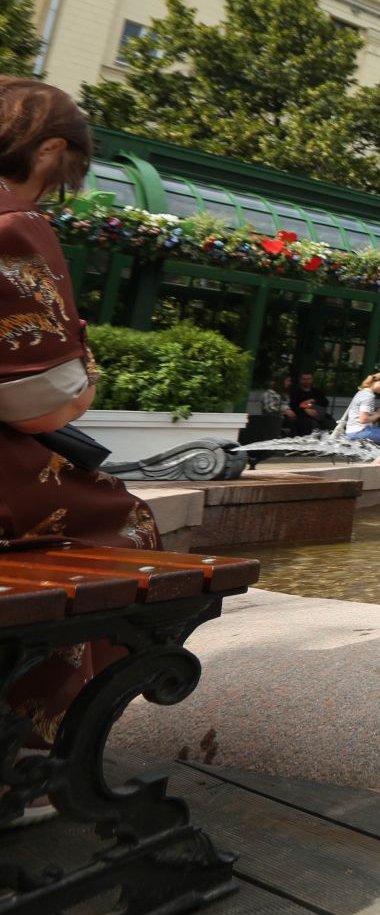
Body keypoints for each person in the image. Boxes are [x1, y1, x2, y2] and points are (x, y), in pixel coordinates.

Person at [0, 78, 160, 827]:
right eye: (70, 171)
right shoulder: (16, 224)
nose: (66, 188)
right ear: (52, 150)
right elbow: (43, 397)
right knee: (125, 528)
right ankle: (32, 754)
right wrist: (87, 367)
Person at [289, 370, 332, 437]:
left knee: (330, 424)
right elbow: (293, 407)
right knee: (311, 425)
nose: (307, 381)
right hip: (303, 416)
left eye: (309, 379)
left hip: (318, 414)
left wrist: (312, 401)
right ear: (300, 380)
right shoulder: (296, 392)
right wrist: (305, 410)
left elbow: (325, 402)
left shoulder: (317, 391)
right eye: (304, 379)